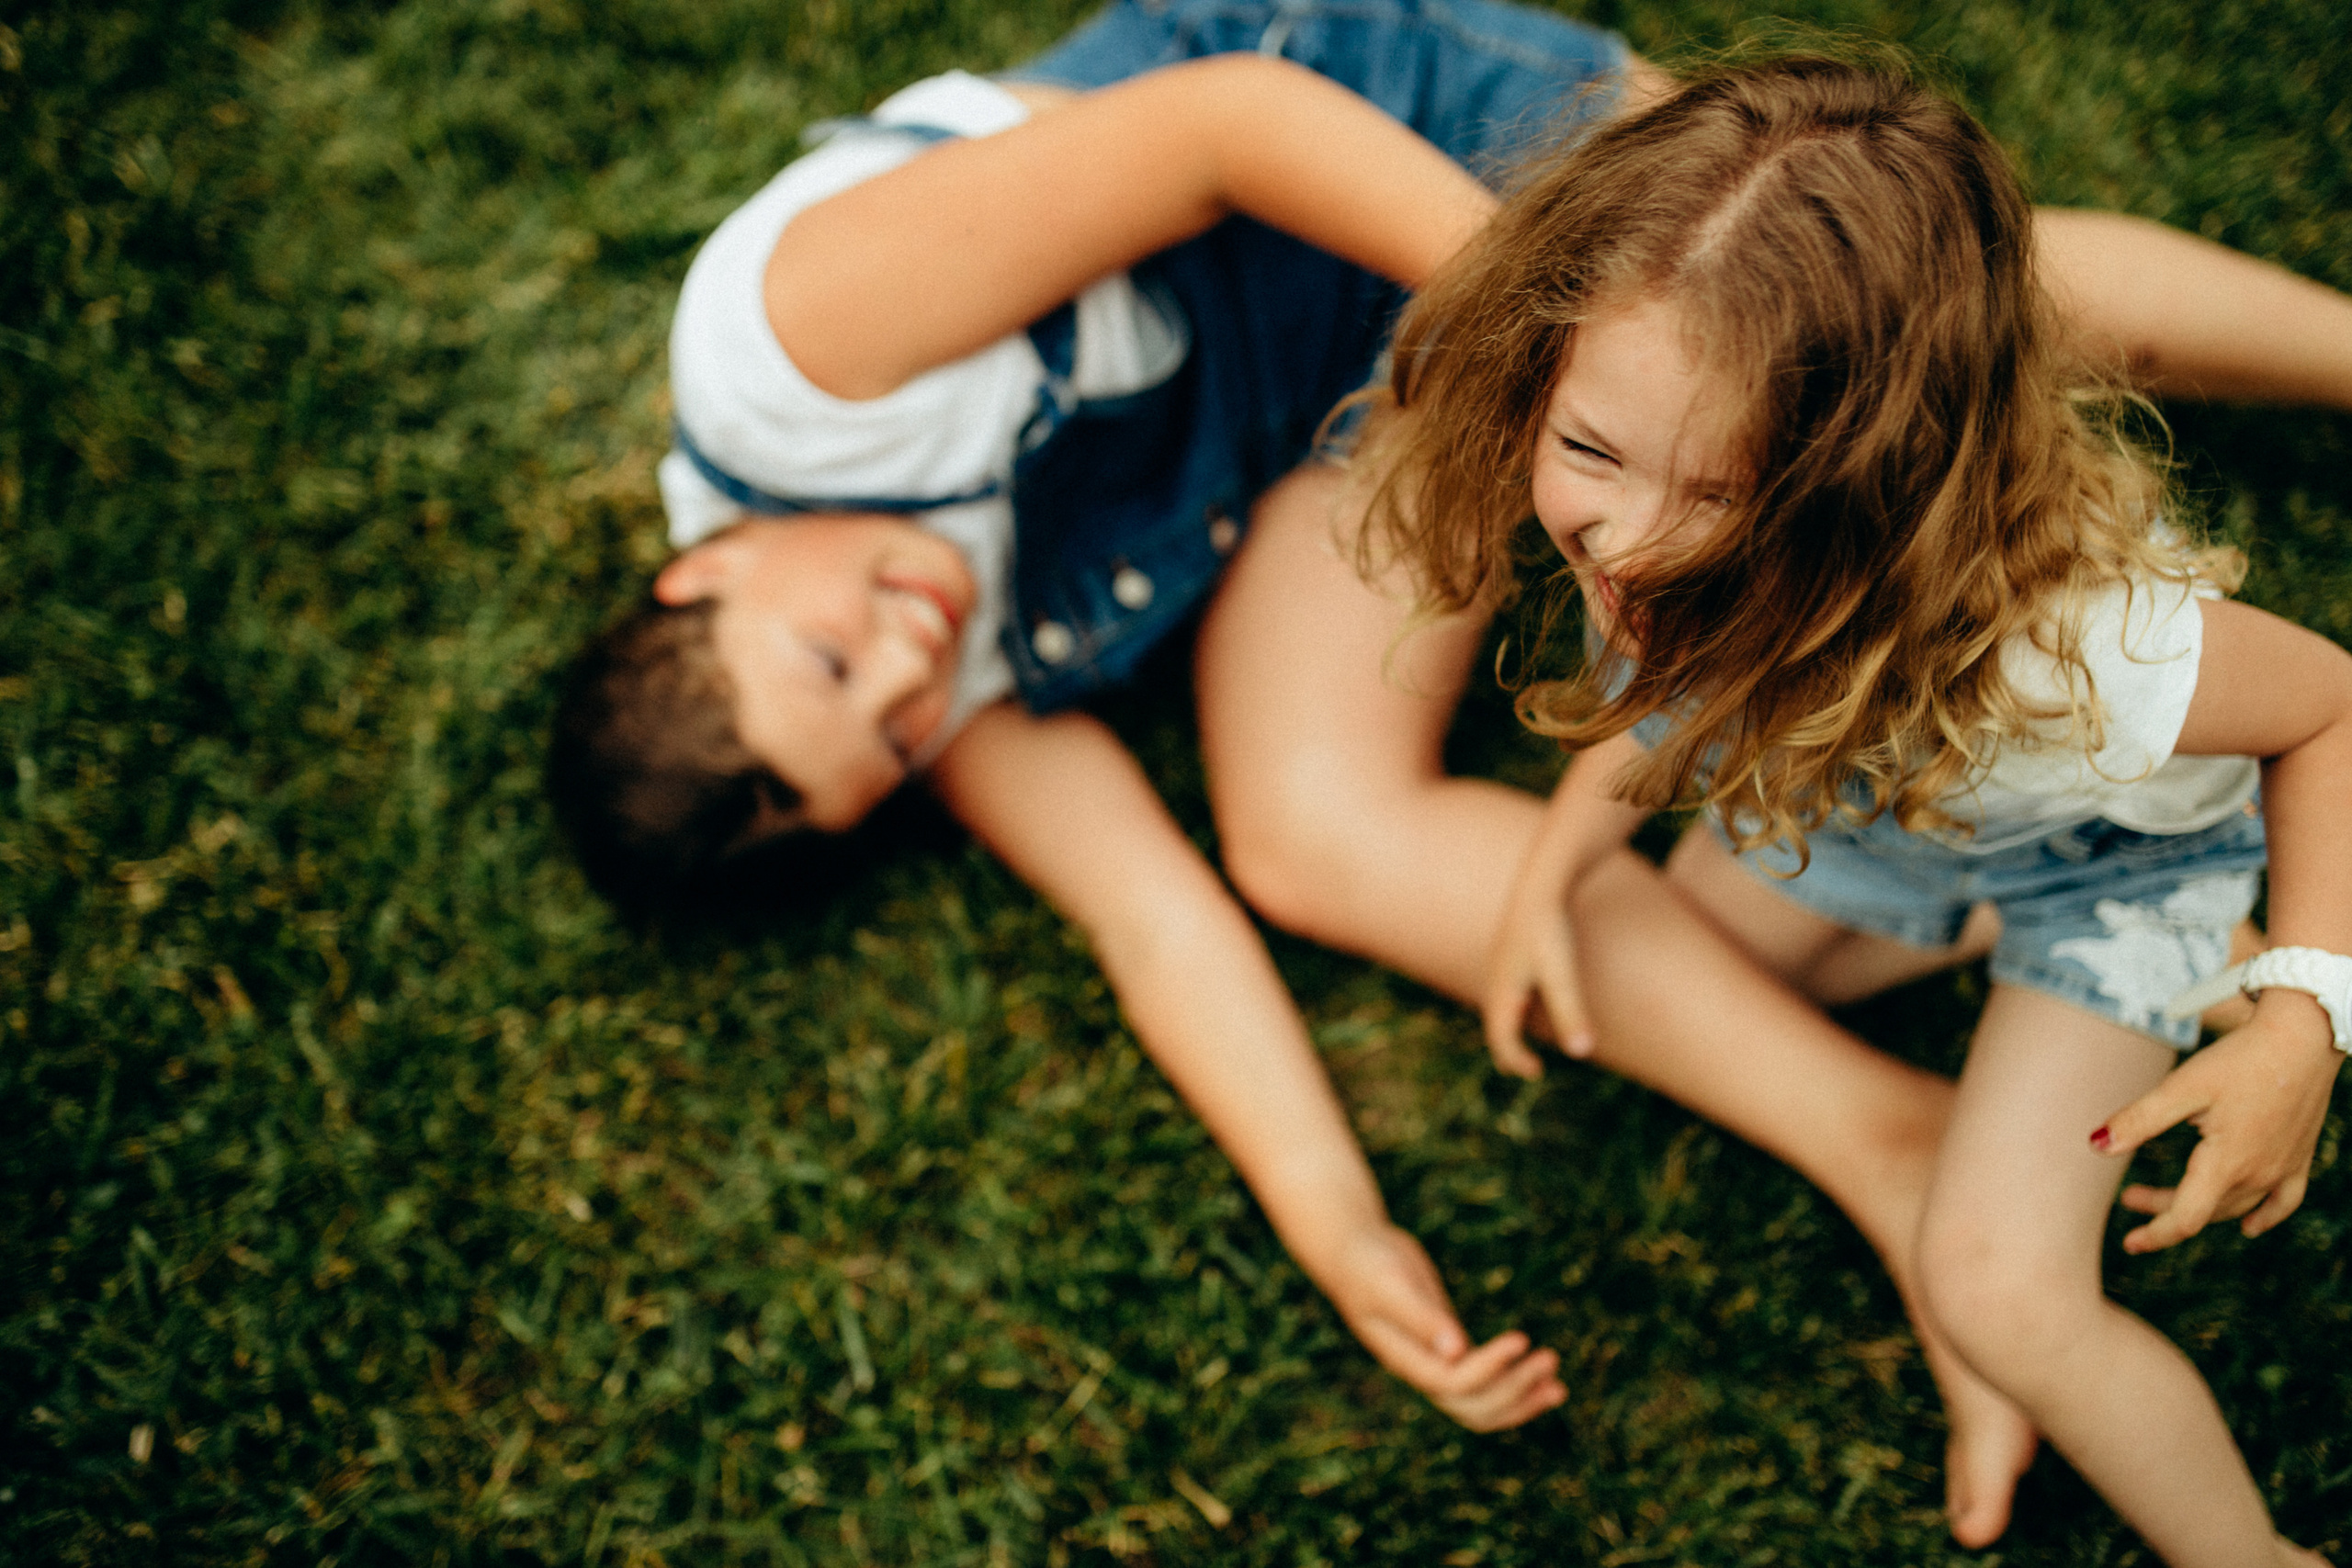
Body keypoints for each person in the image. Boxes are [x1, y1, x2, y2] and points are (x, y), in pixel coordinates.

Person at [549, 0, 2352, 1528]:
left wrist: (1550, 340)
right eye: (884, 734)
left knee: (1845, 337)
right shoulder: (910, 698)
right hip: (1319, 403)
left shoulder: (790, 358)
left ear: (704, 558)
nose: (908, 659)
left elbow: (1230, 126)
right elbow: (1160, 918)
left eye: (827, 653)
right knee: (1302, 835)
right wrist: (1340, 1230)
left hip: (1399, 164)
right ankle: (1882, 1145)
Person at [1363, 49, 2346, 1564]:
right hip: (1903, 812)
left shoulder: (2076, 646)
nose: (1623, 541)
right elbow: (1671, 700)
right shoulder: (1677, 527)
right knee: (1703, 958)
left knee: (1997, 1288)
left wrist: (2305, 1015)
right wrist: (1549, 872)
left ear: (1876, 489)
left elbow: (2334, 708)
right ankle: (2038, 955)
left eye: (1713, 492)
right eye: (1587, 451)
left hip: (2112, 865)